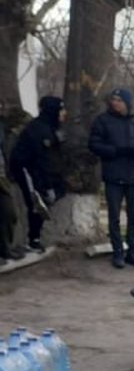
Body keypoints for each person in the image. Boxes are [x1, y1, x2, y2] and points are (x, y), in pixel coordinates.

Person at [87, 86, 134, 269]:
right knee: (114, 216)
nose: (115, 103)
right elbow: (94, 144)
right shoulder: (103, 121)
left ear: (127, 103)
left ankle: (132, 250)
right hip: (113, 175)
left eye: (119, 100)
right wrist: (114, 151)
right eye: (113, 100)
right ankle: (117, 252)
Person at [9, 96, 67, 253]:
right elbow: (40, 161)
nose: (64, 113)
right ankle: (32, 241)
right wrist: (47, 185)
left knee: (43, 203)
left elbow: (54, 157)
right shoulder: (38, 129)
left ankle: (35, 239)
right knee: (36, 203)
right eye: (61, 109)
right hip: (26, 169)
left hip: (41, 170)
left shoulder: (53, 127)